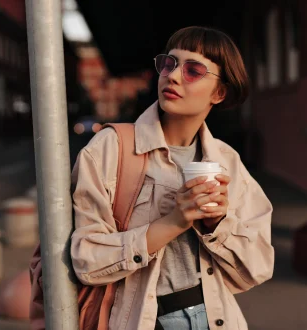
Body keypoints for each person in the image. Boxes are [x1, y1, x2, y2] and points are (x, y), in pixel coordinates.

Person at [70, 26, 274, 330]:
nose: (173, 76)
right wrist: (174, 221)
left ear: (219, 93)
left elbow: (256, 268)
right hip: (142, 320)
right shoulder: (110, 149)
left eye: (193, 70)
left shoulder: (226, 161)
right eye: (169, 63)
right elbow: (86, 260)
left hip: (214, 318)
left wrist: (217, 225)